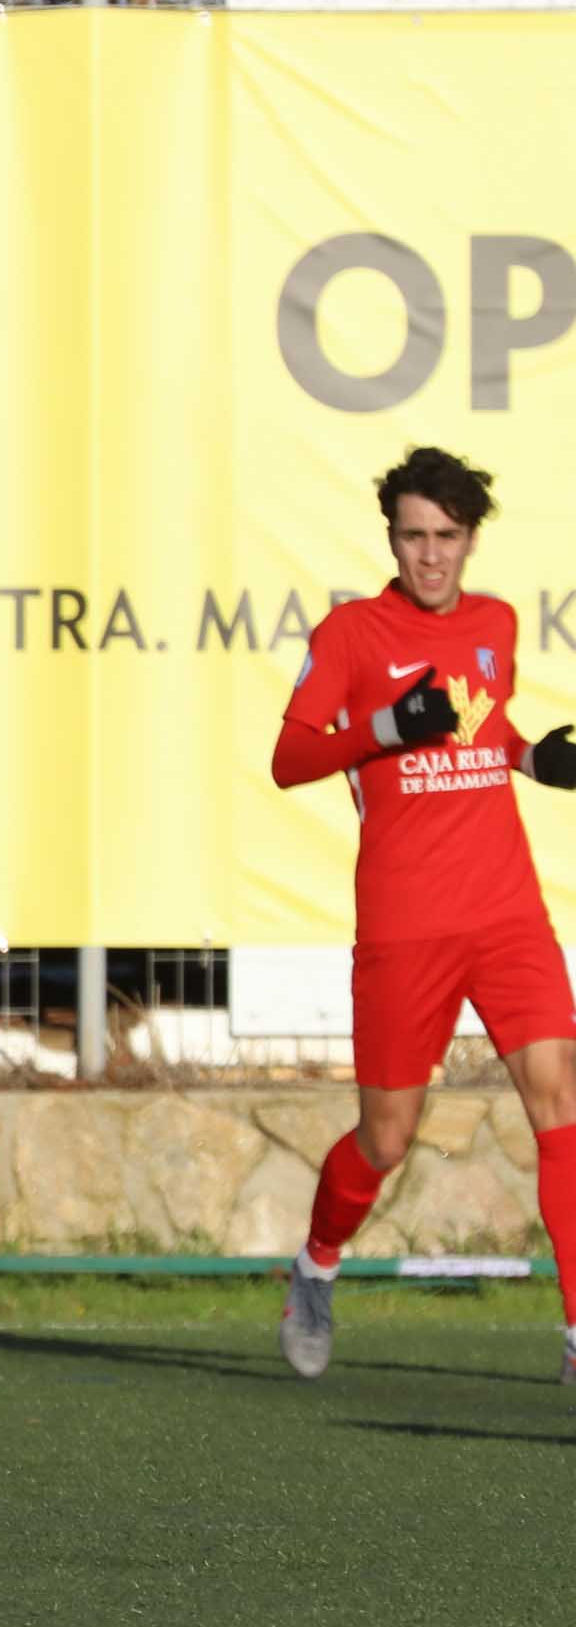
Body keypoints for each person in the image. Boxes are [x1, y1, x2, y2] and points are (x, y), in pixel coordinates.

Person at [271, 445, 576, 1382]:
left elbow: (485, 733)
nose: (431, 555)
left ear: (471, 540)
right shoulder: (354, 634)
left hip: (508, 911)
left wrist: (534, 759)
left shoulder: (495, 623)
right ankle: (317, 1264)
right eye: (414, 536)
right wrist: (385, 730)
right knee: (387, 1139)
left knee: (562, 1103)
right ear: (392, 540)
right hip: (407, 927)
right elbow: (291, 758)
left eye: (447, 537)